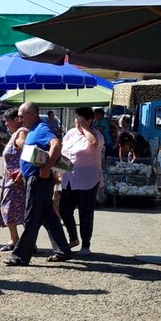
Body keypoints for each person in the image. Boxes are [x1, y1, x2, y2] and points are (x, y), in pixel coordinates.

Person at [5, 101, 72, 266]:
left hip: (38, 180)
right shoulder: (35, 130)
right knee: (48, 216)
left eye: (21, 116)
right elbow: (33, 154)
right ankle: (62, 250)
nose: (20, 120)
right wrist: (23, 171)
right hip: (36, 178)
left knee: (31, 217)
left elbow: (56, 144)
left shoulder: (41, 128)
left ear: (32, 114)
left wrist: (47, 168)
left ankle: (20, 256)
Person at [58, 107, 103, 256]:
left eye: (80, 119)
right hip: (69, 178)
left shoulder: (96, 135)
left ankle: (86, 245)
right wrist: (58, 173)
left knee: (85, 214)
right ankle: (73, 237)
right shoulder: (70, 133)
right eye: (76, 119)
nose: (76, 122)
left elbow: (94, 143)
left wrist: (84, 127)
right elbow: (64, 153)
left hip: (87, 180)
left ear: (89, 120)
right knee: (64, 209)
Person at [0, 107, 29, 252]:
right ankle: (21, 240)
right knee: (15, 210)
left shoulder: (22, 132)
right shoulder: (17, 133)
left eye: (7, 121)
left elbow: (27, 150)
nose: (5, 124)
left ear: (16, 119)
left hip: (17, 180)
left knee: (12, 209)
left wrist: (22, 172)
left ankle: (17, 240)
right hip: (12, 179)